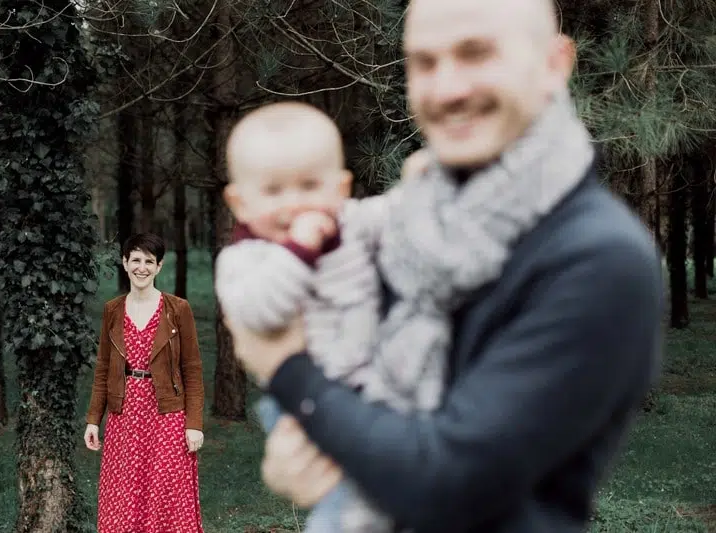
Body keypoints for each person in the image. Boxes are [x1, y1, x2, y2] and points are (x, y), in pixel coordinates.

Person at [223, 0, 665, 532]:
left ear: (555, 62)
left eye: (476, 54)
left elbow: (446, 482)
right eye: (424, 62)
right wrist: (307, 451)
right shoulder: (418, 217)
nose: (447, 88)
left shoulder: (597, 258)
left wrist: (285, 370)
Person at [215, 101, 401, 532]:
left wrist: (427, 186)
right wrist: (299, 250)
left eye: (310, 186)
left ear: (340, 190)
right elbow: (260, 311)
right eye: (274, 191)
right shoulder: (246, 259)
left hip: (372, 387)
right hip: (305, 406)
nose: (294, 204)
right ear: (239, 203)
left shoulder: (350, 223)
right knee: (344, 508)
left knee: (389, 495)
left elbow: (394, 214)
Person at [84, 233, 205, 533]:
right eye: (135, 260)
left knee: (166, 497)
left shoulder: (177, 309)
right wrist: (92, 420)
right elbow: (103, 368)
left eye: (149, 261)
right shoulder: (113, 310)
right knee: (123, 497)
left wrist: (195, 423)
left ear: (159, 266)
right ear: (125, 263)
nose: (142, 267)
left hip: (167, 415)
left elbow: (192, 369)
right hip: (123, 416)